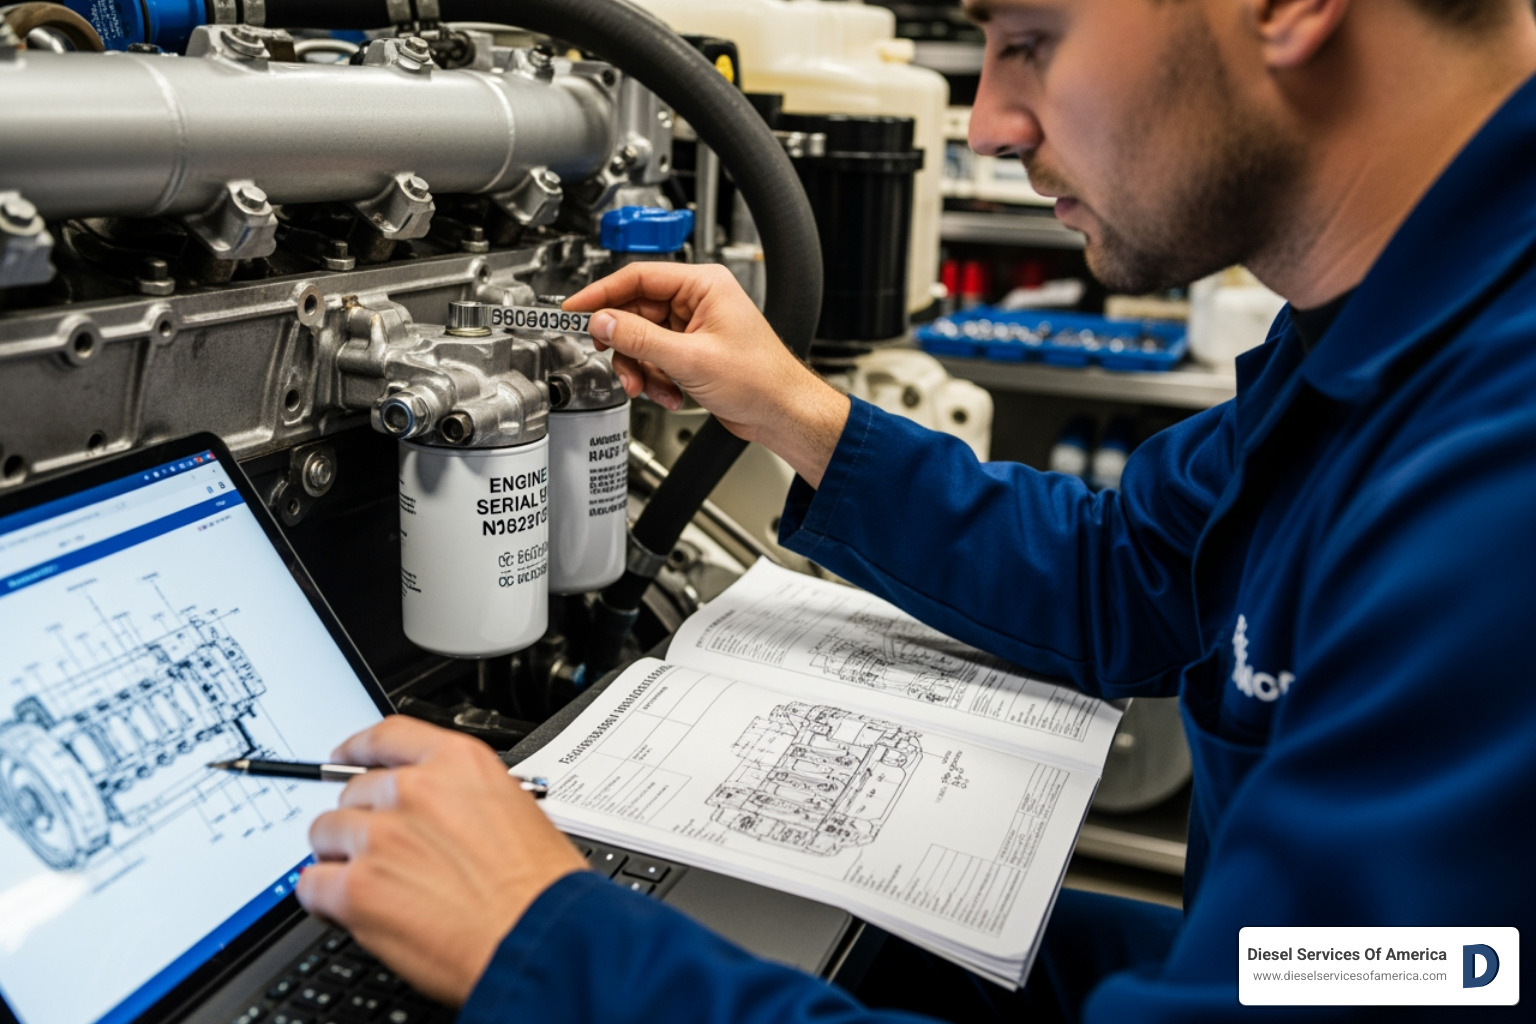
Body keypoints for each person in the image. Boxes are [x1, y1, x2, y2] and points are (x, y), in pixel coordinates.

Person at [296, 0, 1536, 1019]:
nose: (990, 123)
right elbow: (1139, 570)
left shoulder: (1496, 479)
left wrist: (546, 941)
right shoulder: (1386, 345)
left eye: (1030, 38)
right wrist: (800, 413)